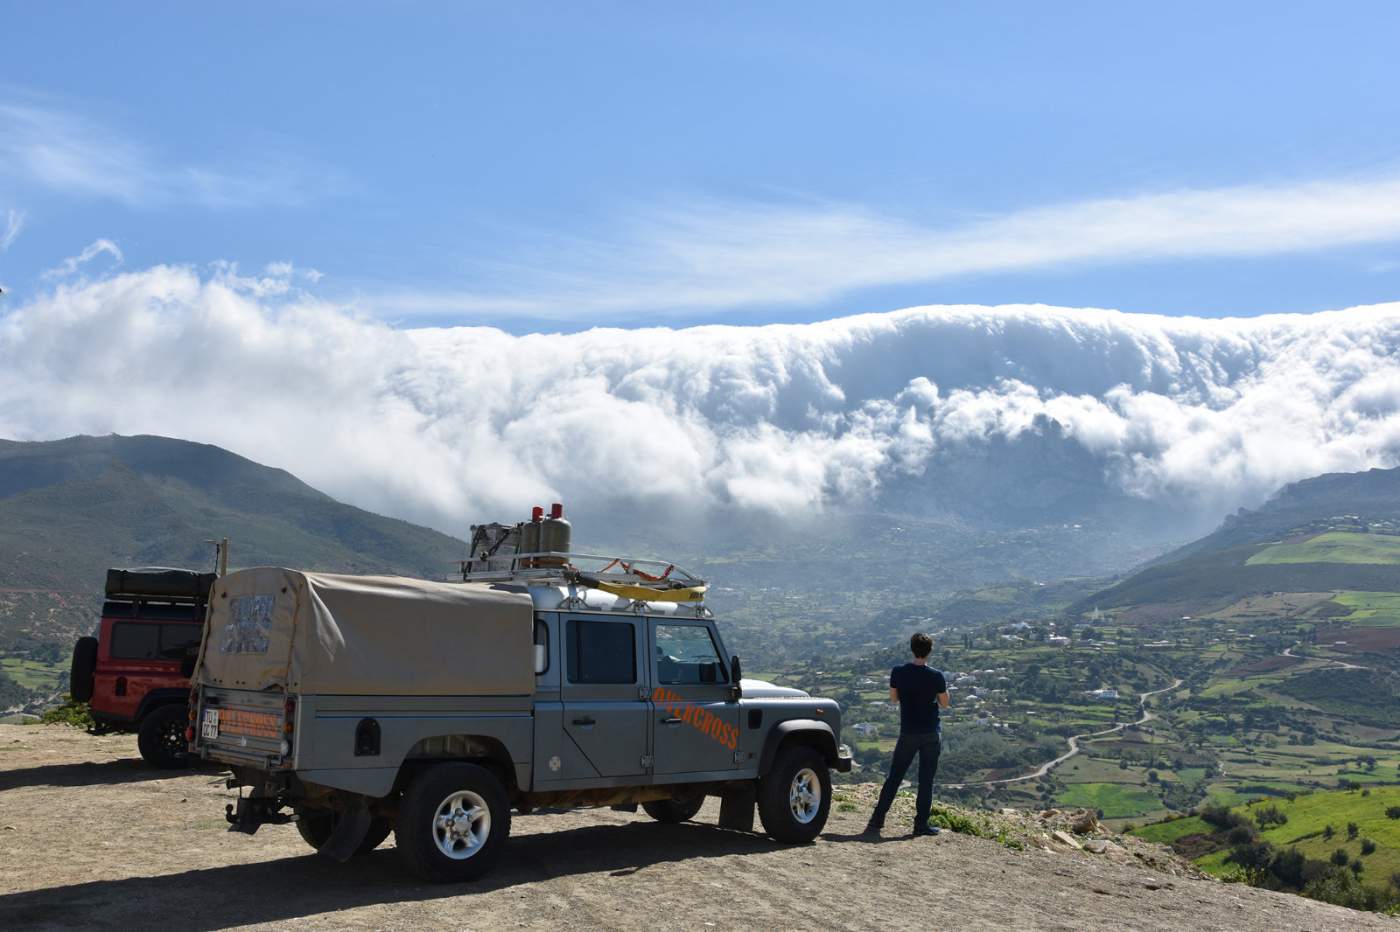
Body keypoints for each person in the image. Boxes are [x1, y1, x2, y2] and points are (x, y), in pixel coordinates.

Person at [864, 632, 949, 837]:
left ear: (912, 649)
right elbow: (945, 704)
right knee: (926, 780)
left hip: (908, 732)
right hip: (930, 733)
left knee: (895, 776)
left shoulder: (898, 672)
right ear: (929, 651)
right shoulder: (936, 676)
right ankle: (921, 825)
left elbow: (894, 699)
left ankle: (877, 820)